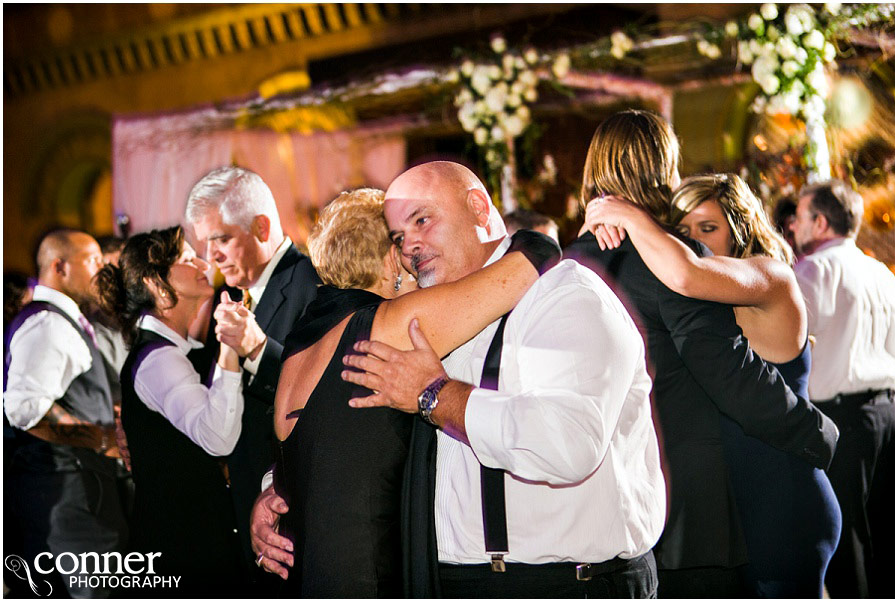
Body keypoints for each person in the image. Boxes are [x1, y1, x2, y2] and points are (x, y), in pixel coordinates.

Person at [313, 161, 666, 598]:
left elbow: (567, 444)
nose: (410, 246)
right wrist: (281, 488)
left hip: (565, 583)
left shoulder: (564, 295)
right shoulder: (430, 313)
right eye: (400, 237)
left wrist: (435, 395)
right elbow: (348, 415)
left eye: (422, 219)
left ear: (479, 208)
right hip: (456, 582)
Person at [564, 110, 838, 598]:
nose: (695, 237)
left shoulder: (573, 262)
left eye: (708, 226)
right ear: (662, 168)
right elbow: (727, 373)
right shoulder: (667, 260)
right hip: (688, 509)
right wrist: (819, 432)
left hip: (671, 504)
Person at [262, 187, 559, 596]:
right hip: (369, 580)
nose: (414, 252)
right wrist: (532, 237)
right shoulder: (388, 326)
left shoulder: (304, 339)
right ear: (390, 260)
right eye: (401, 241)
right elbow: (525, 268)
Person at [96, 226, 247, 596]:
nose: (201, 261)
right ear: (156, 285)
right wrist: (231, 349)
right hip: (181, 555)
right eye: (184, 259)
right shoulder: (158, 359)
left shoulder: (179, 350)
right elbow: (217, 436)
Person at [184, 166, 320, 572]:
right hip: (242, 515)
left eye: (221, 239)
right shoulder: (230, 294)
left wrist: (257, 348)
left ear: (261, 227)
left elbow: (319, 397)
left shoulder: (312, 283)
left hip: (289, 519)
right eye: (205, 245)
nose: (211, 257)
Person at [4, 229, 127, 598]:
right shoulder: (48, 323)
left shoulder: (62, 319)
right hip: (65, 504)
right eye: (92, 260)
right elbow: (24, 408)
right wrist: (100, 437)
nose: (102, 270)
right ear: (60, 266)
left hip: (79, 497)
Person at [790, 179, 895, 599]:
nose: (795, 227)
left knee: (846, 537)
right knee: (887, 533)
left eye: (799, 217)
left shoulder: (814, 269)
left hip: (845, 420)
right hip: (889, 413)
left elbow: (792, 340)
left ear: (819, 222)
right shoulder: (880, 271)